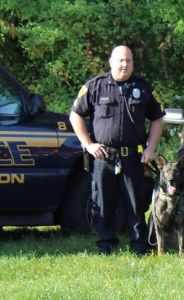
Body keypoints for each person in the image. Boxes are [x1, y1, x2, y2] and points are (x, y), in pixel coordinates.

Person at [70, 45, 164, 256]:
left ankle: (140, 246)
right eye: (120, 60)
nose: (124, 65)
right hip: (104, 156)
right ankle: (106, 245)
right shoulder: (95, 86)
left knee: (135, 204)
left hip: (132, 157)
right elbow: (75, 115)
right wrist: (88, 144)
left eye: (128, 61)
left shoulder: (143, 87)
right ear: (111, 62)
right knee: (104, 204)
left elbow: (157, 118)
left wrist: (151, 148)